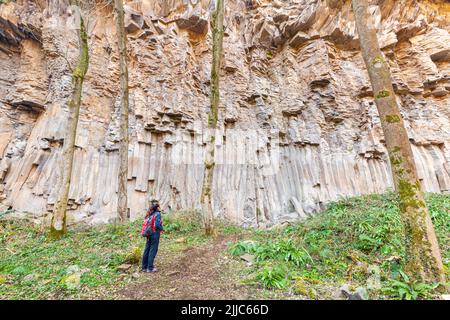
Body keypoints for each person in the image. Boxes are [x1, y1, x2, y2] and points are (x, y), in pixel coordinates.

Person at [141, 200, 163, 273]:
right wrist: (162, 229)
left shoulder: (150, 214)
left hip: (148, 234)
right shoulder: (157, 214)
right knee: (153, 250)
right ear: (157, 207)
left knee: (147, 249)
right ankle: (150, 268)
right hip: (154, 233)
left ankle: (144, 267)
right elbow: (157, 225)